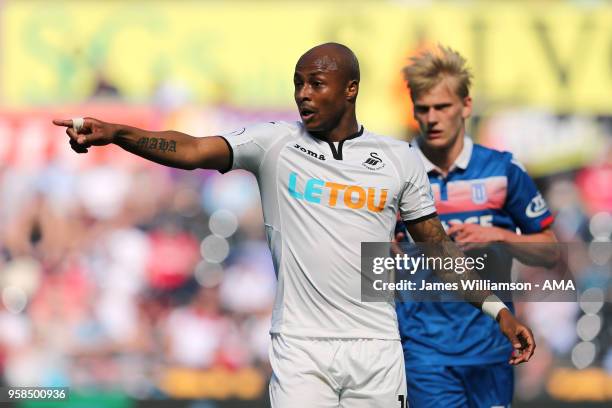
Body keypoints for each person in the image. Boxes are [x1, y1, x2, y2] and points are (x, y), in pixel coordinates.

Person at [54, 42, 535, 408]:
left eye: (316, 83)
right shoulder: (275, 144)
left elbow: (438, 250)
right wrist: (117, 133)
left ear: (351, 89)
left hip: (378, 350)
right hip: (300, 350)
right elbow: (192, 149)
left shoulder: (398, 160)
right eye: (298, 82)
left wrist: (498, 310)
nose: (304, 93)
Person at [396, 45, 557, 408]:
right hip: (424, 349)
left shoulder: (502, 169)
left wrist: (499, 235)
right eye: (423, 109)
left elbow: (550, 250)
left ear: (466, 106)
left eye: (443, 107)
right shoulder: (396, 170)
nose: (432, 118)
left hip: (493, 345)